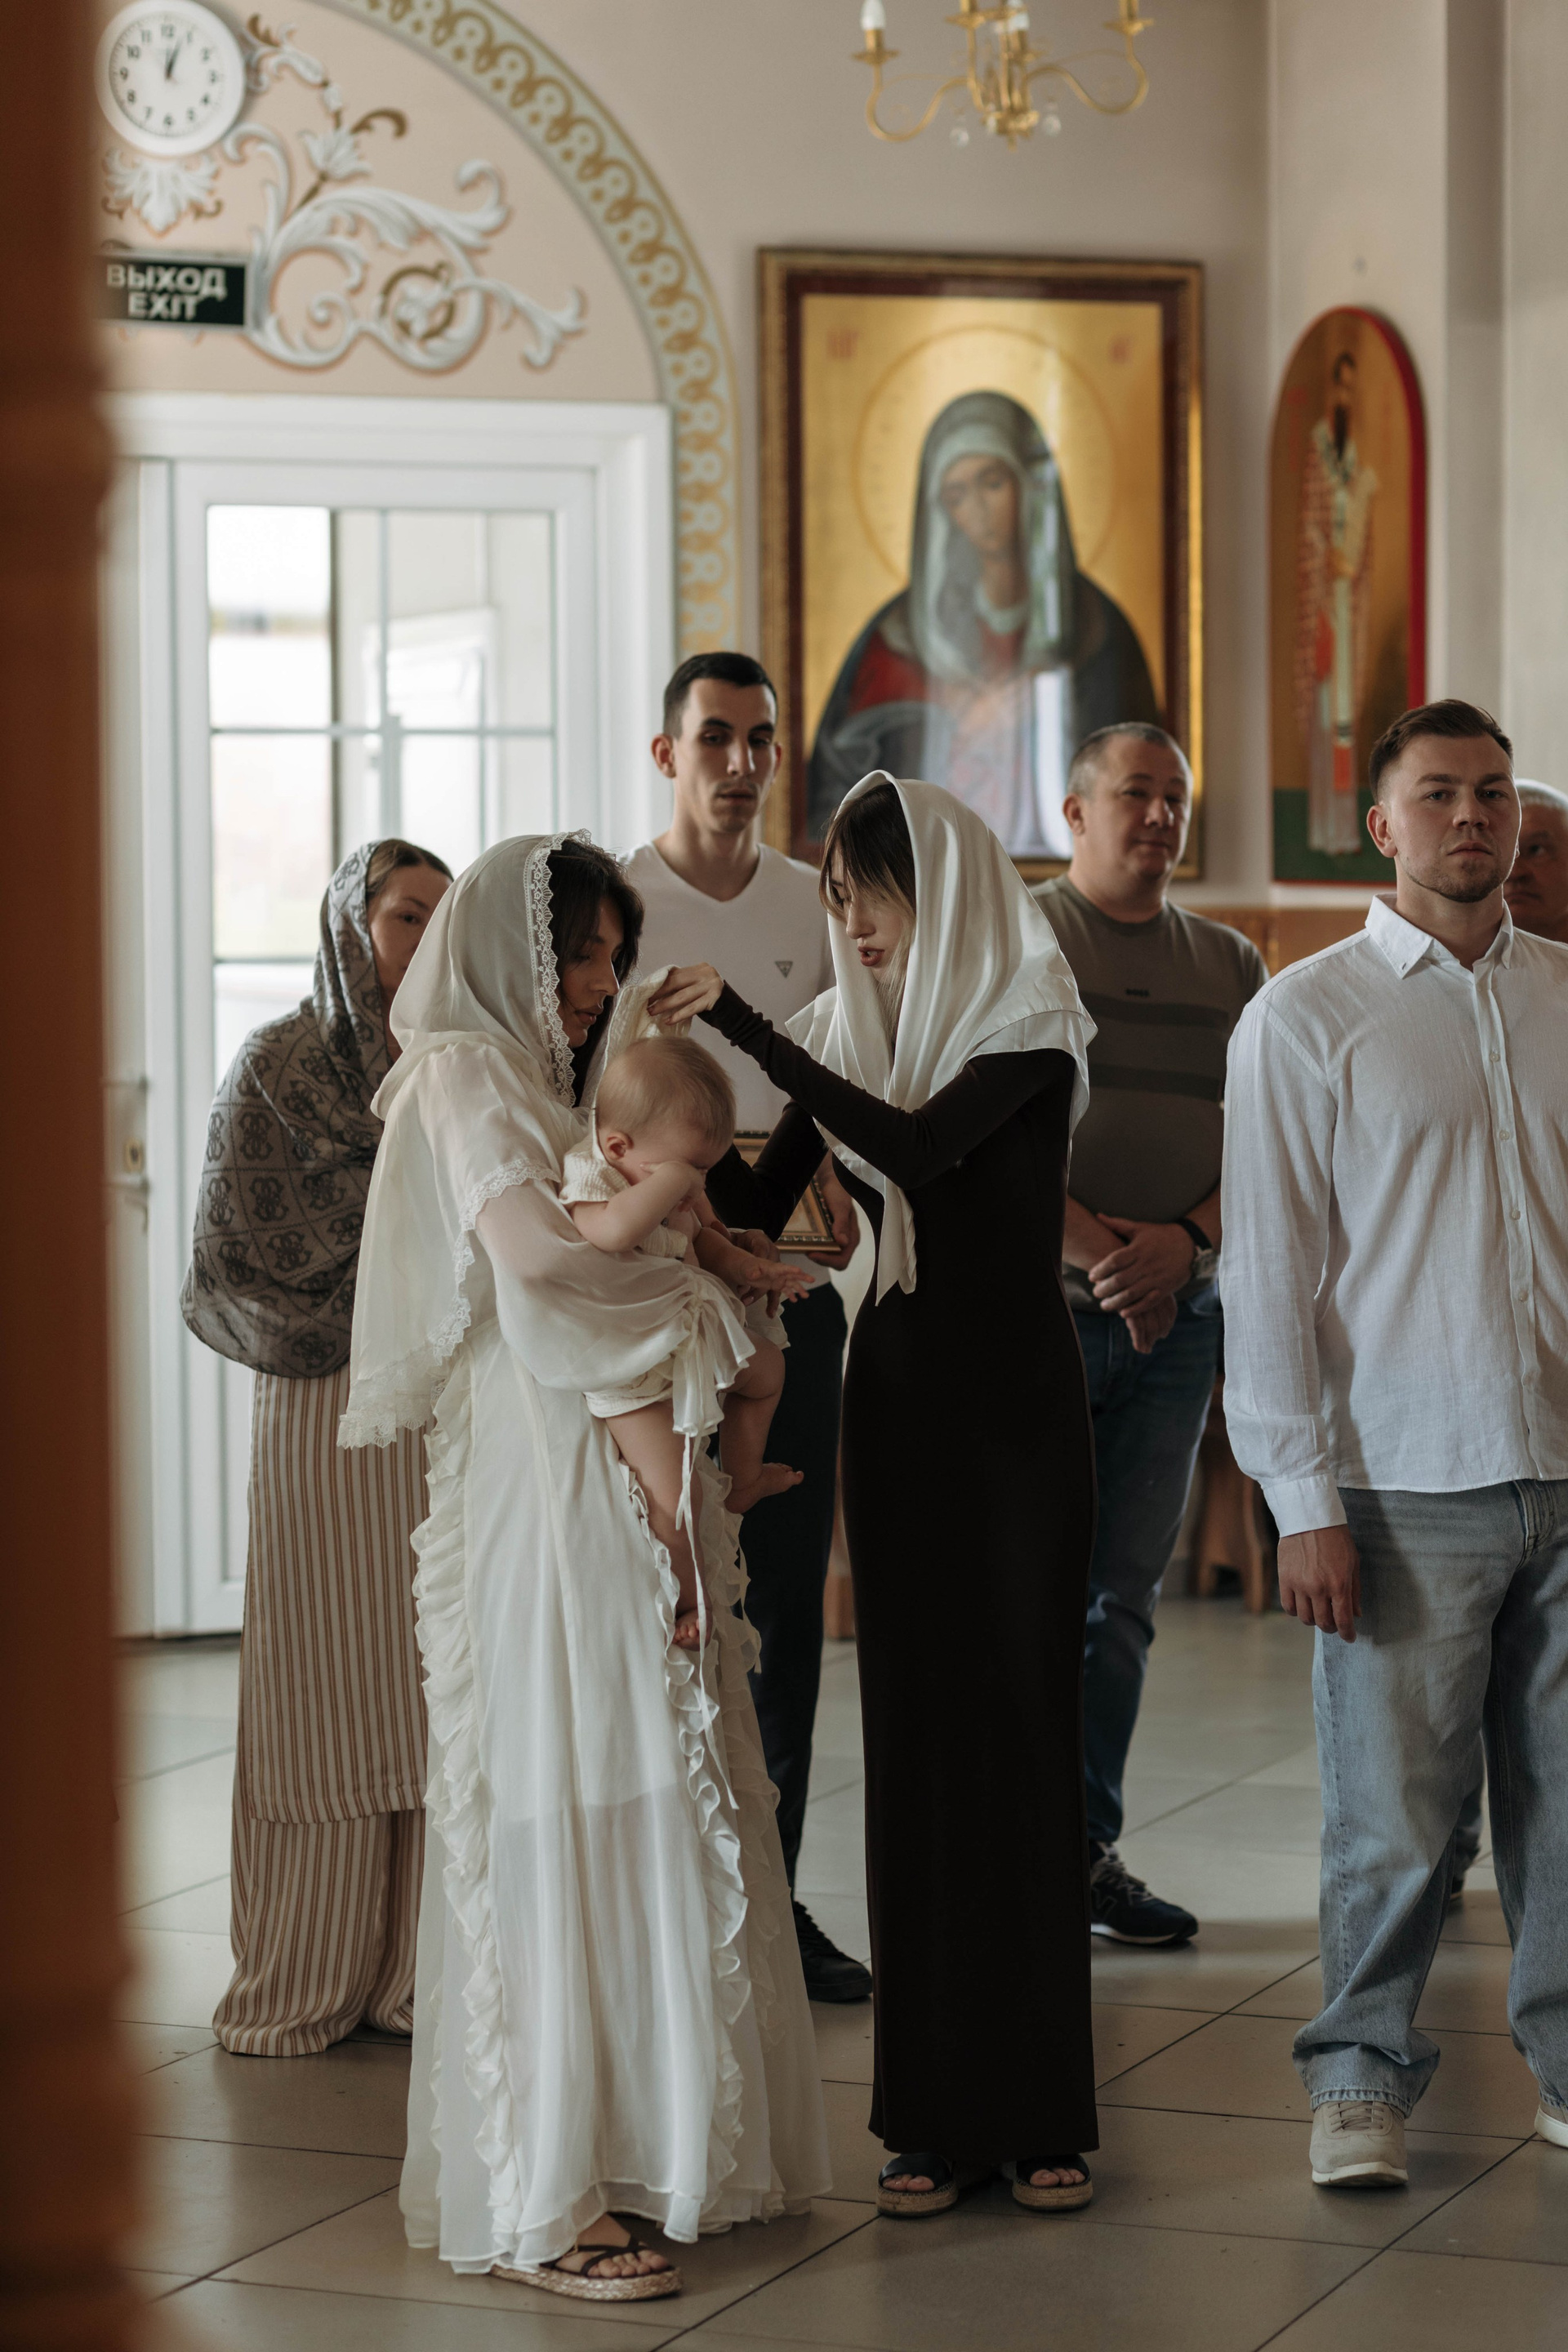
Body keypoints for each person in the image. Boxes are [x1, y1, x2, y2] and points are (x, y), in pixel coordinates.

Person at [341, 833, 829, 2298]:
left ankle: (656, 2140)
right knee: (567, 1765)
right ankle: (550, 2187)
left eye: (616, 958)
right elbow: (541, 1263)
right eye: (583, 956)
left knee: (651, 1759)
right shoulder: (458, 1073)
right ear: (515, 949)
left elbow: (624, 1220)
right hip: (544, 1457)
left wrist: (702, 1269)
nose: (601, 985)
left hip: (607, 1426)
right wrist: (683, 1292)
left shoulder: (556, 1079)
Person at [652, 773, 1101, 2218]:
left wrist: (744, 1023)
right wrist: (635, 1161)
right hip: (901, 1407)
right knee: (912, 1735)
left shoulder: (1029, 1016)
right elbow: (753, 1203)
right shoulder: (848, 1033)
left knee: (1022, 1733)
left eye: (870, 893)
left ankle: (1041, 2113)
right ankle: (924, 2118)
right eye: (837, 896)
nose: (850, 922)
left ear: (944, 884)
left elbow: (913, 1150)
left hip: (1019, 1418)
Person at [1222, 699, 1568, 2189]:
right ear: (1383, 827)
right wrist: (1299, 1499)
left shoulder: (1565, 996)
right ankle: (1358, 2077)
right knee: (1397, 1822)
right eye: (1439, 795)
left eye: (1495, 793)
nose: (1473, 817)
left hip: (1564, 1465)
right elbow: (1270, 1275)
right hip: (1401, 1480)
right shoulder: (1306, 1018)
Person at [625, 651, 871, 2002]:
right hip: (649, 1276)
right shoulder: (619, 905)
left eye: (760, 740)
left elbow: (843, 1080)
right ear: (667, 753)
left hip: (791, 1273)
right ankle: (656, 1892)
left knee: (777, 1582)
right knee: (656, 1580)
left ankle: (772, 1896)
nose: (740, 763)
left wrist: (793, 1227)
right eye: (714, 737)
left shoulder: (809, 904)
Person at [181, 839, 452, 2056]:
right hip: (317, 1405)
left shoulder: (461, 1064)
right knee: (325, 1683)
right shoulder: (277, 1064)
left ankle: (419, 1974)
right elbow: (230, 1252)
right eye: (405, 917)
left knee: (432, 1679)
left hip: (439, 1397)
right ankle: (311, 1964)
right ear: (352, 926)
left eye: (443, 918)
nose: (423, 941)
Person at [1034, 724, 1268, 1945]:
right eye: (1137, 794)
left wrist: (1186, 1246)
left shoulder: (1231, 961)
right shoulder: (1021, 938)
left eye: (1176, 797)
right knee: (1026, 1594)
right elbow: (986, 1133)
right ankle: (1008, 1858)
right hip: (1038, 1321)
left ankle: (1083, 1851)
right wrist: (1105, 1256)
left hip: (1180, 1324)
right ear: (1075, 812)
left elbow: (1276, 1137)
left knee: (1119, 1602)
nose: (1162, 816)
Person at [808, 390, 1158, 855]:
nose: (978, 509)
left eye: (992, 482)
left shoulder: (1096, 628)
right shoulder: (899, 637)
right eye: (957, 495)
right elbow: (839, 794)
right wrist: (964, 725)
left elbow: (1145, 770)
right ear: (940, 512)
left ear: (1028, 485)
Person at [562, 1031, 814, 1630]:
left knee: (770, 1371)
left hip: (690, 1339)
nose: (700, 1183)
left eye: (704, 1168)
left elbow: (709, 1242)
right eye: (693, 1167)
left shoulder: (675, 1182)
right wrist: (671, 1182)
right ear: (617, 1146)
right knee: (677, 1498)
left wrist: (751, 1267)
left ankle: (743, 1478)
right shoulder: (596, 1177)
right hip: (635, 1366)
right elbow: (611, 1233)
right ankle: (686, 1602)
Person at [1295, 349, 1379, 858]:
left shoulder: (1356, 459)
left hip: (1349, 604)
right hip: (1323, 604)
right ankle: (1321, 828)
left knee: (1346, 718)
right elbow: (1310, 519)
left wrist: (1353, 565)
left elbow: (1363, 532)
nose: (1344, 397)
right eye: (1339, 386)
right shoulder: (1318, 447)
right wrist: (1327, 561)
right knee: (1327, 715)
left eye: (1351, 387)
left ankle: (1346, 829)